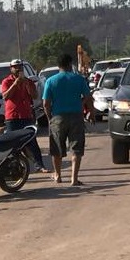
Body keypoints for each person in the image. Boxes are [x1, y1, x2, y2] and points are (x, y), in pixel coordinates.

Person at [42, 53, 93, 186]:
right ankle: (74, 179)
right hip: (76, 116)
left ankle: (58, 175)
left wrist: (49, 117)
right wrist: (89, 111)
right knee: (76, 148)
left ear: (58, 65)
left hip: (57, 117)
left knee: (56, 148)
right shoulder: (79, 79)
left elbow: (46, 103)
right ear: (70, 64)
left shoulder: (50, 81)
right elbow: (88, 97)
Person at [0, 59, 49, 173]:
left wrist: (27, 85)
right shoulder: (6, 81)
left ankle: (39, 165)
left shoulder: (28, 81)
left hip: (26, 116)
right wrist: (16, 83)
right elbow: (5, 96)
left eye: (20, 67)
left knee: (32, 142)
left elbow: (35, 96)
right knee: (12, 143)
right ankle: (13, 168)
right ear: (11, 69)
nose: (18, 69)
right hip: (12, 117)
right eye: (15, 67)